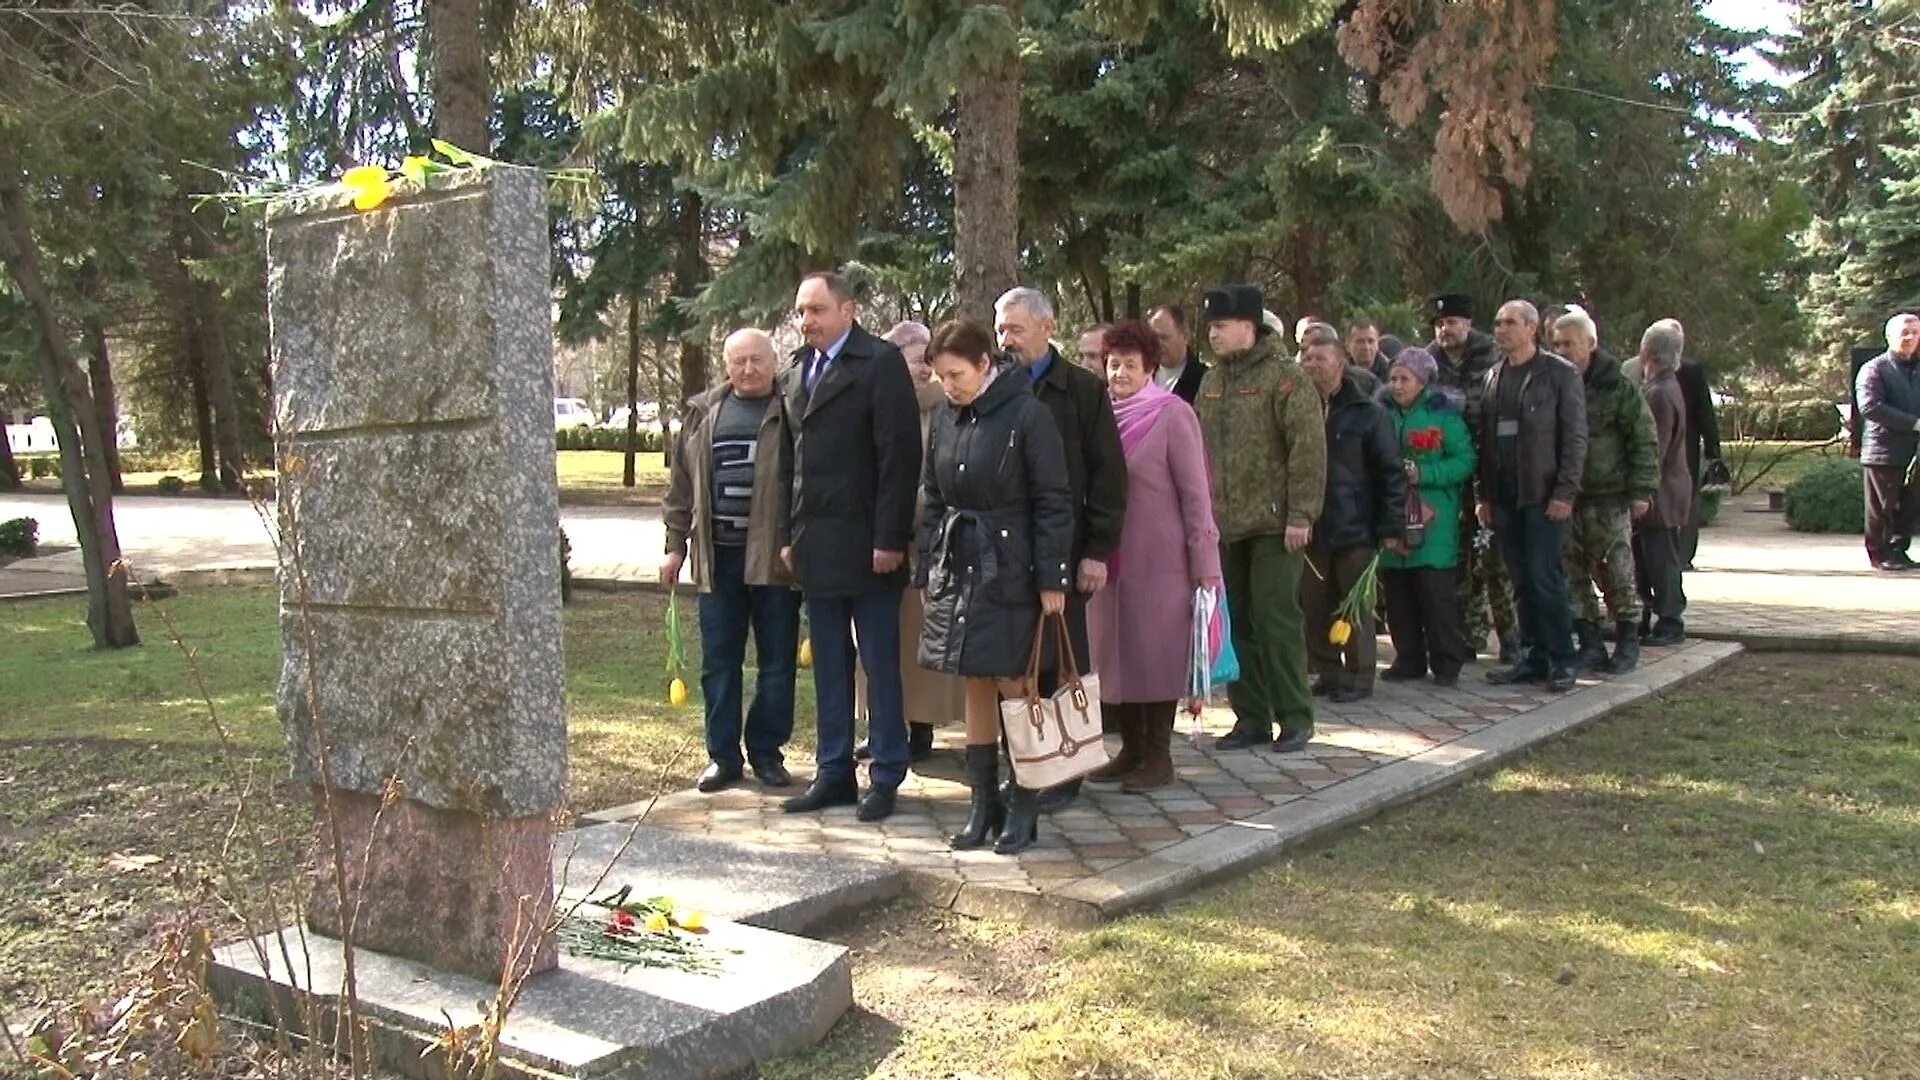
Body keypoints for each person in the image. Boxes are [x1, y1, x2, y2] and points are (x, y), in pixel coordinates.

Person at [915, 319, 1074, 855]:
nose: (949, 385)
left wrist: (1053, 579)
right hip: (959, 565)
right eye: (940, 376)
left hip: (1013, 567)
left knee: (1015, 683)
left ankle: (1025, 803)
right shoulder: (944, 416)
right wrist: (927, 568)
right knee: (974, 681)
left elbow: (1054, 500)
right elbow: (933, 497)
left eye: (956, 374)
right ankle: (983, 804)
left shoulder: (1028, 415)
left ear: (985, 364)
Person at [777, 272, 923, 822]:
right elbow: (790, 464)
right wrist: (789, 536)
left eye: (817, 309)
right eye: (801, 311)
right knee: (829, 663)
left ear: (848, 310)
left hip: (869, 544)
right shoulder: (795, 369)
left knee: (879, 662)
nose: (807, 320)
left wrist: (889, 538)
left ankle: (887, 771)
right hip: (816, 544)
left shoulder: (879, 363)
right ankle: (833, 770)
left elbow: (899, 457)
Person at [994, 287, 1128, 811]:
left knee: (1064, 662)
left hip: (1067, 550)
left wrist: (1098, 549)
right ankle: (1024, 766)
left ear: (1047, 328)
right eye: (1001, 330)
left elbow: (1109, 475)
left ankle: (1067, 770)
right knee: (1015, 662)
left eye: (1016, 330)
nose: (1006, 340)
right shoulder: (995, 386)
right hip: (1007, 551)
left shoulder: (1081, 390)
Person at [661, 328, 802, 793]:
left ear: (772, 360)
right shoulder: (703, 415)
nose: (748, 369)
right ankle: (723, 758)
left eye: (757, 360)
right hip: (717, 558)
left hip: (774, 560)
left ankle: (766, 752)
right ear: (726, 364)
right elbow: (680, 489)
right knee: (719, 663)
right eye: (739, 361)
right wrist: (674, 546)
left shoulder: (791, 410)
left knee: (777, 662)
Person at [1083, 320, 1221, 792]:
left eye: (1130, 365)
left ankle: (1159, 756)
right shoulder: (1100, 414)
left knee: (1155, 656)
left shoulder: (1172, 414)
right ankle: (1132, 750)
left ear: (1151, 368)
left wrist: (1205, 562)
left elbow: (1196, 493)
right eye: (1113, 363)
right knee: (1118, 656)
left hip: (1163, 561)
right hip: (1112, 560)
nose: (1119, 373)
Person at [1194, 284, 1326, 752]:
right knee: (1235, 623)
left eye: (1222, 326)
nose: (1214, 334)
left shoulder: (1285, 378)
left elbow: (1307, 450)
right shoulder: (1210, 382)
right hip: (1224, 525)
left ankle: (1295, 716)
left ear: (1249, 327)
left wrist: (1302, 514)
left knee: (1277, 619)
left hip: (1275, 524)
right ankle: (1250, 717)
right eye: (1210, 327)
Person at [854, 320, 963, 763]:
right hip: (877, 543)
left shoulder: (945, 410)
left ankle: (920, 728)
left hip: (927, 546)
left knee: (919, 646)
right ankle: (883, 726)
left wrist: (910, 506)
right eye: (915, 360)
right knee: (877, 644)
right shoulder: (875, 404)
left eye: (927, 361)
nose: (923, 370)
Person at [1476, 300, 1586, 693]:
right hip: (1504, 497)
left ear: (1531, 328)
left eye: (1509, 322)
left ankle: (1562, 658)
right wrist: (1484, 494)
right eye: (1497, 322)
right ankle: (1532, 655)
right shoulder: (1493, 376)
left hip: (1543, 495)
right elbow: (1484, 441)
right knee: (1520, 580)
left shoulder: (1559, 375)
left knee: (1546, 578)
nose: (1501, 329)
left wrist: (1565, 491)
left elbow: (1574, 439)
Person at [1296, 325, 1404, 702]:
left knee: (1355, 608)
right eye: (1306, 358)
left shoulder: (1368, 413)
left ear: (1340, 363)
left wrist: (1391, 525)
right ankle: (1328, 672)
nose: (1311, 365)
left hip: (1355, 525)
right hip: (1311, 526)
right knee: (1315, 606)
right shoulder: (1296, 409)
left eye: (1319, 358)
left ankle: (1359, 678)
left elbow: (1391, 471)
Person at [1550, 306, 1655, 674]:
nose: (1561, 351)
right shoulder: (1555, 385)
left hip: (1609, 496)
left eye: (1569, 344)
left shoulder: (1617, 386)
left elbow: (1642, 438)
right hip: (1567, 499)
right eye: (1556, 344)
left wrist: (1641, 490)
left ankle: (1628, 641)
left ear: (1590, 344)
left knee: (1617, 573)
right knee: (1573, 575)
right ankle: (1590, 643)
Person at [1426, 293, 1521, 664]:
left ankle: (1512, 638)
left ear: (1467, 323)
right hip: (1449, 473)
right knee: (1460, 559)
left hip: (1491, 468)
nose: (1444, 330)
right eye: (1438, 324)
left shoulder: (1493, 354)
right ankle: (1471, 633)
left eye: (1451, 322)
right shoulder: (1429, 359)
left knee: (1495, 562)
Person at [1377, 347, 1475, 686]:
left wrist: (1425, 472)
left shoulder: (1444, 415)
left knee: (1435, 593)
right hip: (1393, 511)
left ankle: (1447, 661)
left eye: (1404, 379)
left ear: (1423, 381)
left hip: (1436, 517)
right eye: (1392, 379)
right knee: (1397, 593)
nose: (1397, 386)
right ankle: (1409, 658)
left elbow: (1464, 461)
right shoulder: (1381, 413)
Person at [1636, 320, 1692, 642]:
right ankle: (1660, 614)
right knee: (1657, 556)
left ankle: (1670, 620)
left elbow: (1653, 447)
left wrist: (1641, 488)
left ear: (1647, 355)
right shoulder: (1670, 386)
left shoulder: (1658, 392)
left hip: (1662, 492)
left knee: (1661, 559)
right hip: (1670, 487)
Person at [1855, 313, 1920, 572]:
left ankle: (1898, 550)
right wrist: (1914, 423)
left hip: (1915, 450)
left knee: (1910, 503)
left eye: (1915, 333)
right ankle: (1879, 554)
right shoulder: (1874, 369)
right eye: (1904, 333)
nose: (1910, 338)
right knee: (1882, 506)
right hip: (1884, 449)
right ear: (1889, 336)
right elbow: (1870, 407)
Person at [1148, 304, 1210, 404]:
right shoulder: (1141, 376)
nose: (1157, 344)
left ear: (1185, 336)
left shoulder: (1203, 379)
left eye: (1164, 337)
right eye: (1153, 338)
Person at [1347, 319, 1392, 385]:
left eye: (1371, 341)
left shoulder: (1391, 374)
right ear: (1348, 345)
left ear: (1377, 344)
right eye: (1360, 342)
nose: (1366, 347)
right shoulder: (1339, 372)